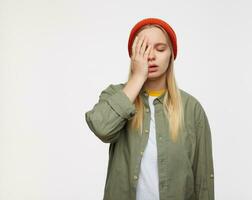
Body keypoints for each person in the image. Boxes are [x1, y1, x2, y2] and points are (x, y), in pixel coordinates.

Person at [85, 17, 215, 200]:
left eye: (160, 49)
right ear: (133, 55)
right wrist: (137, 77)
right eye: (143, 49)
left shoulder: (191, 109)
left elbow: (203, 181)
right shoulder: (115, 95)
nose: (151, 56)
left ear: (171, 54)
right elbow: (102, 128)